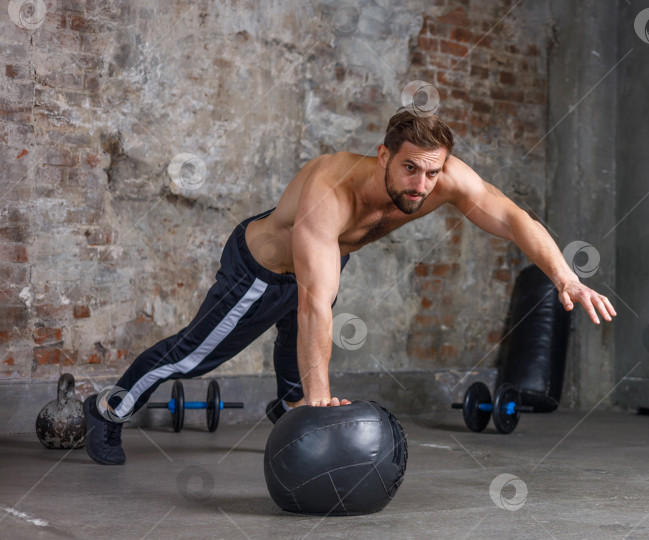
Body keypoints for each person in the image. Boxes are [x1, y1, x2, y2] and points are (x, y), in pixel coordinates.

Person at [83, 110, 617, 465]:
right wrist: (321, 404)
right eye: (410, 169)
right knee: (191, 356)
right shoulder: (329, 192)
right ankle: (108, 410)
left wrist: (565, 277)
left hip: (322, 263)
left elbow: (513, 218)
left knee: (299, 350)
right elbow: (316, 303)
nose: (421, 186)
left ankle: (289, 405)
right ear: (383, 156)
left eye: (432, 173)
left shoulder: (441, 179)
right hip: (263, 270)